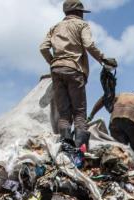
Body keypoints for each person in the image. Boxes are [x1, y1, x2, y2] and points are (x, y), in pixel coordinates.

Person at [40, 0, 117, 151]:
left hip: (56, 70)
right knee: (79, 113)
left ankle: (65, 148)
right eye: (82, 12)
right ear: (78, 12)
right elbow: (88, 44)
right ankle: (79, 151)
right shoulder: (82, 25)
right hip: (74, 70)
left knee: (64, 114)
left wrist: (54, 62)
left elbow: (43, 47)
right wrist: (103, 59)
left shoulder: (55, 27)